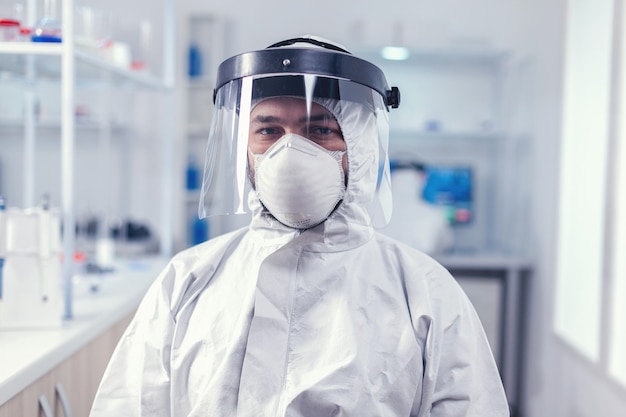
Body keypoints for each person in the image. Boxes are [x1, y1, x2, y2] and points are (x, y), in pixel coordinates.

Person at [89, 35, 509, 417]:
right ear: (245, 150)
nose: (290, 151)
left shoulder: (425, 295)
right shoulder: (187, 281)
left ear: (359, 146)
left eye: (320, 130)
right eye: (269, 130)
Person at [382, 160, 454, 255]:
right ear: (423, 178)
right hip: (418, 268)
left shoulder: (368, 211)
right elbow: (447, 246)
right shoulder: (434, 215)